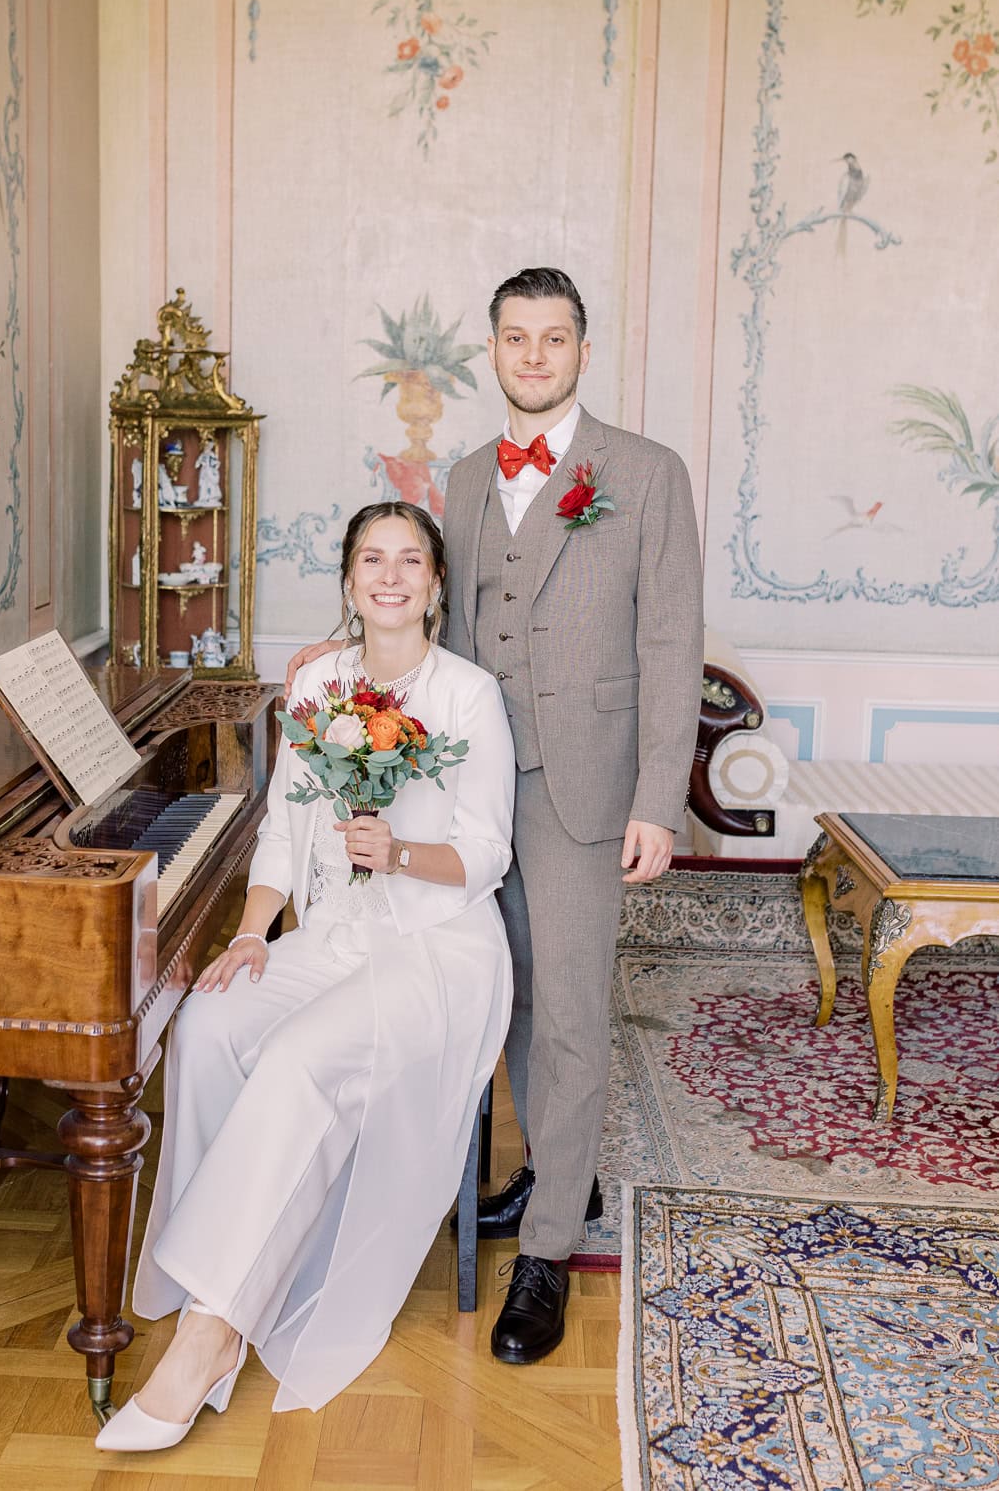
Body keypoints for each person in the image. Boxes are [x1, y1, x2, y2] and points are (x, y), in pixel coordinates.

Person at [287, 268, 702, 1368]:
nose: (532, 356)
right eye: (515, 338)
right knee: (505, 992)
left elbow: (670, 648)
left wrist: (658, 801)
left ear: (580, 349)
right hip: (467, 791)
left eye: (553, 338)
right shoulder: (464, 479)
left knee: (570, 1012)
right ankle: (556, 1172)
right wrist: (326, 661)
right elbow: (411, 617)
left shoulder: (648, 475)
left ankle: (550, 1251)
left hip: (583, 791)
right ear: (493, 348)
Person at [97, 501, 515, 1452]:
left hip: (439, 948)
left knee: (294, 1060)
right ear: (348, 579)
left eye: (412, 559)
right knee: (208, 1026)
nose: (392, 574)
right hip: (331, 934)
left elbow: (485, 854)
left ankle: (212, 1336)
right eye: (374, 557)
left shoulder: (468, 696)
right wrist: (251, 932)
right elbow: (285, 825)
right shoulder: (322, 682)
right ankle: (201, 1263)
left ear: (438, 584)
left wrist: (398, 852)